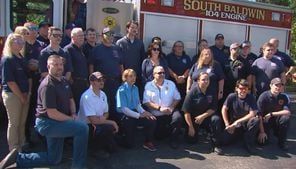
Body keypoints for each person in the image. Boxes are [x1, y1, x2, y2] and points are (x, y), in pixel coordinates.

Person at [0, 55, 89, 169]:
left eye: (61, 64)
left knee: (54, 159)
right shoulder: (48, 86)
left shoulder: (63, 81)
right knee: (82, 128)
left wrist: (73, 113)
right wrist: (72, 120)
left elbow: (70, 99)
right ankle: (78, 166)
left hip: (58, 121)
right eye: (55, 64)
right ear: (48, 66)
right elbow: (52, 113)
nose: (59, 67)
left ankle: (18, 159)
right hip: (48, 123)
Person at [1, 33, 31, 152]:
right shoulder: (7, 59)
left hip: (24, 94)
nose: (20, 44)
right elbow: (10, 82)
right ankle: (13, 149)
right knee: (14, 123)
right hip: (13, 95)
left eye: (22, 42)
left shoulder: (22, 58)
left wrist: (28, 93)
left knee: (22, 122)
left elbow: (28, 77)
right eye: (17, 42)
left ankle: (22, 145)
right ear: (10, 43)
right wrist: (21, 96)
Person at [78, 71, 118, 156]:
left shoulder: (103, 94)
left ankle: (104, 145)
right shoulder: (87, 97)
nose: (102, 82)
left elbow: (106, 112)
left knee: (113, 148)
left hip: (99, 122)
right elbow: (93, 121)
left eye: (103, 80)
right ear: (92, 82)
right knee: (107, 128)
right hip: (87, 126)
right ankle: (95, 150)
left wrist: (104, 118)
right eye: (99, 80)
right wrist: (112, 122)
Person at [182, 72, 223, 155]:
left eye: (207, 79)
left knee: (216, 119)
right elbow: (186, 111)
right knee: (191, 141)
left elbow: (213, 108)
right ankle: (196, 132)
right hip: (194, 118)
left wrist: (203, 116)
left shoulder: (212, 91)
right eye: (203, 79)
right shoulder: (192, 92)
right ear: (198, 81)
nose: (206, 81)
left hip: (207, 117)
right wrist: (190, 127)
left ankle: (216, 144)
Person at [116, 69, 156, 150]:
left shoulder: (135, 88)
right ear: (125, 78)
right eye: (130, 76)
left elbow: (137, 105)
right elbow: (124, 109)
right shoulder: (121, 90)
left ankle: (148, 142)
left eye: (134, 76)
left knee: (151, 119)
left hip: (134, 113)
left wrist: (145, 113)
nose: (133, 78)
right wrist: (139, 115)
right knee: (129, 145)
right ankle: (117, 139)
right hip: (124, 115)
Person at [143, 66, 182, 149]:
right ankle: (152, 138)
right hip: (156, 114)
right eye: (159, 73)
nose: (162, 74)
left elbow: (177, 98)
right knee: (159, 136)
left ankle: (174, 140)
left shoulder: (171, 83)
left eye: (163, 72)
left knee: (178, 117)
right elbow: (146, 102)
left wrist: (171, 107)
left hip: (169, 112)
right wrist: (159, 108)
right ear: (153, 74)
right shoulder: (148, 85)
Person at [89, 27, 124, 120]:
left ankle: (116, 127)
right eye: (107, 34)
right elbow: (91, 66)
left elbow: (121, 65)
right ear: (102, 36)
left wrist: (123, 79)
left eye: (112, 34)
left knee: (115, 105)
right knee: (103, 105)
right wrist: (92, 81)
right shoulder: (96, 49)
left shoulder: (117, 49)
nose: (110, 36)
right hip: (101, 83)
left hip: (115, 82)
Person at [221, 79, 259, 154]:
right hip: (233, 125)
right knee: (223, 141)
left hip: (245, 124)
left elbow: (252, 113)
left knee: (255, 120)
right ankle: (238, 137)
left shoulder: (251, 98)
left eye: (245, 89)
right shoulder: (231, 96)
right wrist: (227, 124)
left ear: (248, 90)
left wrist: (238, 121)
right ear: (236, 89)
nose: (243, 91)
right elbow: (224, 109)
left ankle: (248, 143)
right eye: (241, 88)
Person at [23, 22, 45, 147]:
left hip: (39, 82)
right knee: (27, 111)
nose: (34, 31)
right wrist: (28, 65)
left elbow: (46, 61)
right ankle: (26, 137)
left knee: (40, 109)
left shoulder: (42, 45)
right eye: (31, 28)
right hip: (26, 83)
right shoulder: (21, 45)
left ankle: (41, 135)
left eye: (36, 28)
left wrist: (38, 66)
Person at [257, 77, 291, 150]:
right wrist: (262, 132)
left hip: (277, 120)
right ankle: (266, 134)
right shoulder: (263, 96)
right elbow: (259, 115)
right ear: (271, 85)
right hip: (266, 121)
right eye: (276, 85)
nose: (278, 87)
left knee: (285, 118)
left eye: (280, 85)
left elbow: (287, 112)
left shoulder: (284, 96)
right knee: (262, 143)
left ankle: (281, 142)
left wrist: (272, 114)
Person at [64, 27, 88, 110]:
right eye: (79, 36)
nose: (82, 38)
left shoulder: (81, 50)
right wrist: (71, 82)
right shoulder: (68, 50)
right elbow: (67, 68)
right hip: (74, 84)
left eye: (82, 36)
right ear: (72, 37)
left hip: (83, 84)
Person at [116, 20, 146, 88]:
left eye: (136, 28)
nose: (134, 30)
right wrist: (122, 75)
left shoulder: (140, 43)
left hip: (137, 77)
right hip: (125, 76)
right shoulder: (120, 42)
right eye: (132, 27)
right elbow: (118, 62)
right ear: (127, 28)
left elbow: (143, 60)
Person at [165, 40, 191, 109]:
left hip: (183, 83)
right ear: (174, 48)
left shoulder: (187, 57)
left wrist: (183, 77)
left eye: (181, 46)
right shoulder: (169, 57)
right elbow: (167, 68)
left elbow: (189, 69)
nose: (179, 48)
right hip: (172, 83)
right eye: (177, 46)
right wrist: (176, 77)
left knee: (183, 101)